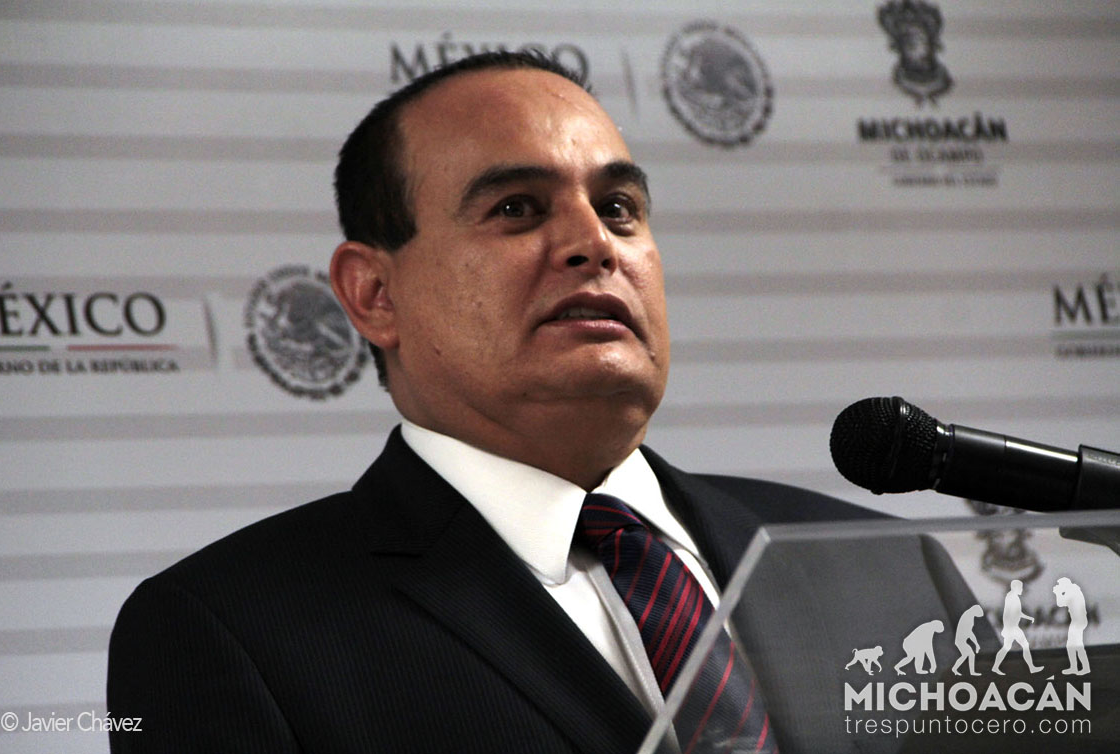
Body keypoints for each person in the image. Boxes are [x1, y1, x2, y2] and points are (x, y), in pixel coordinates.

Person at [107, 51, 981, 753]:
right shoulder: (230, 633)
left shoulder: (890, 566)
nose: (593, 243)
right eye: (518, 208)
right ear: (373, 293)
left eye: (619, 207)